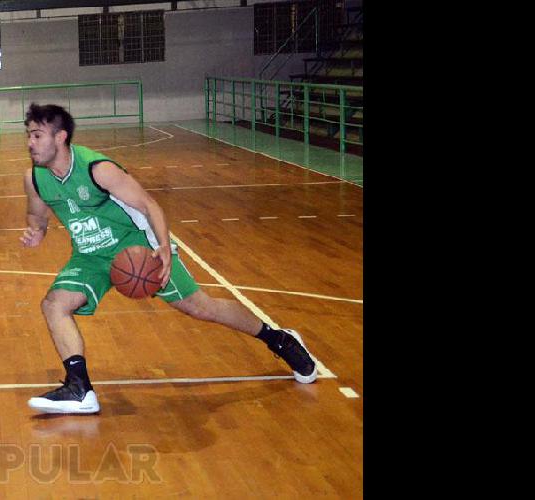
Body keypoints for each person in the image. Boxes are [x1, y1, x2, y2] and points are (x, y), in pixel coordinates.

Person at [19, 103, 319, 414]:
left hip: (136, 247)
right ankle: (80, 389)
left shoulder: (98, 169)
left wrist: (163, 246)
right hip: (90, 256)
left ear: (61, 137)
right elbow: (36, 214)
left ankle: (278, 339)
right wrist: (36, 231)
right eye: (29, 135)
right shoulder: (36, 178)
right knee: (54, 304)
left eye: (37, 135)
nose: (30, 142)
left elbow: (149, 206)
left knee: (201, 307)